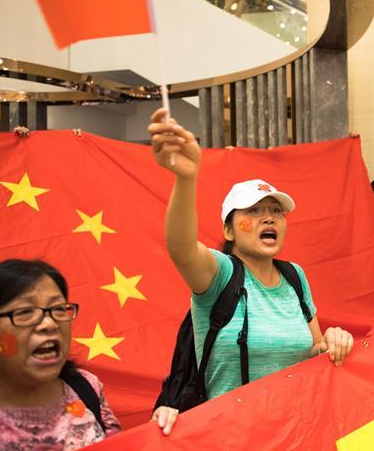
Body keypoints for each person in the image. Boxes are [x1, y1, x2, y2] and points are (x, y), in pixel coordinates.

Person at [147, 108, 353, 402]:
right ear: (229, 231)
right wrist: (186, 178)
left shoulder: (295, 276)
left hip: (296, 428)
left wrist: (331, 343)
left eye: (275, 211)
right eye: (254, 211)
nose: (268, 218)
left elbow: (312, 353)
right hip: (233, 437)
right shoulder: (220, 274)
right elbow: (181, 248)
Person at [0, 259, 177, 451]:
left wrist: (156, 433)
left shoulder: (86, 386)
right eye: (24, 312)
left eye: (58, 310)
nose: (49, 324)